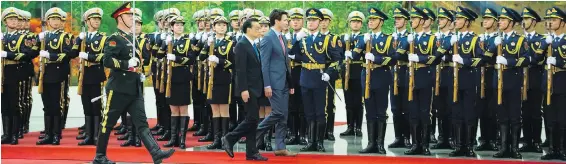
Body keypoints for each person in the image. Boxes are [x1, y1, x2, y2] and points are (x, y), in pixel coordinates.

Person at [92, 2, 175, 163]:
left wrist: (138, 71)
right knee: (107, 123)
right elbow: (107, 61)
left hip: (134, 88)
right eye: (129, 16)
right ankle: (99, 156)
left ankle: (156, 153)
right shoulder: (114, 38)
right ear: (120, 18)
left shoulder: (132, 38)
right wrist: (126, 65)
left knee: (142, 123)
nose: (132, 18)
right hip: (118, 88)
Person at [290, 8, 340, 152]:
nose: (311, 23)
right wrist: (296, 39)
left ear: (319, 22)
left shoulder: (326, 40)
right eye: (309, 20)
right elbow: (291, 54)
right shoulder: (302, 39)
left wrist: (329, 73)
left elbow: (337, 60)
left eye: (314, 20)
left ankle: (319, 142)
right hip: (305, 78)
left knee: (320, 112)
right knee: (308, 112)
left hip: (319, 79)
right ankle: (310, 141)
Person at [222, 18, 268, 161]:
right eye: (257, 28)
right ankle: (229, 138)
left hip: (256, 88)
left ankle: (251, 152)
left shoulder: (254, 44)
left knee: (253, 121)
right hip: (248, 89)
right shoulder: (242, 45)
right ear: (248, 29)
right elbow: (240, 70)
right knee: (252, 118)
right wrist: (243, 89)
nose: (260, 30)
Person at [398, 6, 440, 156]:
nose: (412, 22)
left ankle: (425, 144)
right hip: (410, 78)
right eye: (411, 19)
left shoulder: (432, 39)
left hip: (425, 78)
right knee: (413, 113)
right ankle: (415, 144)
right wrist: (404, 43)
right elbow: (398, 55)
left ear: (422, 20)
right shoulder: (410, 38)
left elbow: (436, 57)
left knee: (424, 113)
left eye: (414, 19)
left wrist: (420, 58)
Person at [256, 9, 297, 156]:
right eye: (285, 20)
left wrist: (290, 84)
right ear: (277, 21)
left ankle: (280, 146)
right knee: (278, 113)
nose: (288, 22)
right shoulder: (268, 38)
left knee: (283, 115)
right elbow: (264, 64)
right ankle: (252, 134)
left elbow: (286, 63)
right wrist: (267, 84)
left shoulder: (282, 37)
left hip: (284, 83)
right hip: (273, 83)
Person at [354, 7, 395, 154]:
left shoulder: (388, 39)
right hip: (366, 77)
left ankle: (380, 144)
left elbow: (393, 58)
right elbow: (354, 55)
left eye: (374, 19)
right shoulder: (364, 38)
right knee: (369, 111)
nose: (370, 22)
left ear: (381, 22)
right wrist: (360, 44)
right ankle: (371, 143)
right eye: (369, 19)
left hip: (381, 76)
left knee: (381, 111)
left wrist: (376, 58)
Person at [490, 7, 528, 159]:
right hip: (497, 82)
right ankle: (503, 147)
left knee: (514, 116)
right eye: (499, 19)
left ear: (511, 23)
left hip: (513, 81)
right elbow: (485, 55)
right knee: (502, 116)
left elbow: (527, 59)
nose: (500, 22)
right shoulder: (497, 39)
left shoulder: (520, 40)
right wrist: (494, 45)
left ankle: (514, 148)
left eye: (503, 20)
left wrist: (509, 61)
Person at [36, 7, 76, 145]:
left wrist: (50, 56)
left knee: (56, 105)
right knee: (46, 105)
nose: (55, 22)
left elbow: (68, 55)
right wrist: (37, 39)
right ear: (48, 21)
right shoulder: (43, 36)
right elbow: (33, 50)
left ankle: (56, 135)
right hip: (45, 74)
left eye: (58, 19)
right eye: (53, 19)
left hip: (58, 74)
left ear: (62, 21)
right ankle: (47, 133)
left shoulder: (66, 37)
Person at [448, 6, 482, 157]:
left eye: (460, 19)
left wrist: (464, 60)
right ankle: (458, 145)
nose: (456, 21)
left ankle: (468, 146)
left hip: (468, 79)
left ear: (467, 22)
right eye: (456, 19)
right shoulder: (453, 38)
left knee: (469, 113)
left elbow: (480, 59)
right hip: (454, 80)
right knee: (456, 113)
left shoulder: (475, 39)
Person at [1, 7, 36, 145]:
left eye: (15, 19)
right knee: (4, 105)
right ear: (5, 22)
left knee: (14, 104)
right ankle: (6, 133)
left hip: (16, 72)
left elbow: (27, 54)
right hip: (3, 73)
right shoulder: (3, 37)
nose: (14, 21)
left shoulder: (24, 37)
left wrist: (8, 54)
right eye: (11, 19)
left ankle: (14, 134)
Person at [161, 15, 196, 149]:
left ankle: (182, 139)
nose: (179, 27)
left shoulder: (188, 42)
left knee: (183, 108)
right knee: (174, 109)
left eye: (181, 25)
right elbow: (158, 55)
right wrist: (164, 44)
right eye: (176, 25)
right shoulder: (168, 40)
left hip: (183, 76)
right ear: (171, 27)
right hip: (171, 78)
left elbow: (191, 59)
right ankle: (174, 138)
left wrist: (176, 58)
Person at [73, 7, 107, 146]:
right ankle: (88, 135)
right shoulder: (83, 37)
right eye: (94, 19)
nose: (97, 21)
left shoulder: (103, 38)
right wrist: (77, 41)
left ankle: (97, 136)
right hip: (84, 75)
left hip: (96, 74)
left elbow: (105, 56)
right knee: (86, 105)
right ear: (87, 22)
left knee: (96, 105)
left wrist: (89, 57)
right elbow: (72, 53)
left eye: (98, 19)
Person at [541, 6, 566, 161]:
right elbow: (535, 57)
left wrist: (559, 62)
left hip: (563, 83)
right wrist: (545, 45)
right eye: (549, 20)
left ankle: (562, 149)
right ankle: (551, 149)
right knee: (549, 117)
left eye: (554, 20)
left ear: (562, 22)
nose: (550, 23)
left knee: (562, 118)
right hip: (548, 84)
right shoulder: (547, 40)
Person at [519, 7, 545, 153]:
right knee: (524, 112)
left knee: (535, 112)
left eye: (527, 19)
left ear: (533, 21)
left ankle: (536, 141)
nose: (523, 22)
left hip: (534, 78)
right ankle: (527, 141)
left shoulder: (540, 40)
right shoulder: (519, 40)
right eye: (523, 19)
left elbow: (538, 59)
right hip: (520, 80)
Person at [475, 7, 499, 152]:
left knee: (493, 109)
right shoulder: (479, 39)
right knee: (482, 109)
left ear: (495, 22)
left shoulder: (498, 39)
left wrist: (484, 56)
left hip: (493, 75)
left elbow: (487, 57)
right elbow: (478, 56)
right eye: (484, 19)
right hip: (481, 75)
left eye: (489, 19)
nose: (485, 21)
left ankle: (493, 139)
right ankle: (484, 139)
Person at [431, 7, 455, 150]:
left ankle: (451, 138)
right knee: (439, 108)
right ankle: (442, 138)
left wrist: (447, 57)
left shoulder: (454, 38)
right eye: (439, 18)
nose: (439, 21)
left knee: (450, 108)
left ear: (449, 21)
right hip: (437, 76)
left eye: (442, 19)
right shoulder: (435, 38)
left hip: (450, 75)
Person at [389, 7, 412, 148]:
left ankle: (407, 137)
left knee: (406, 108)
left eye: (400, 18)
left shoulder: (409, 37)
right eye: (395, 19)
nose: (397, 21)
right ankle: (398, 137)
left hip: (405, 73)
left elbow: (399, 55)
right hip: (394, 74)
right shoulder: (391, 38)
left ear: (406, 21)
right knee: (395, 108)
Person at [340, 10, 365, 138]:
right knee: (348, 102)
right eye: (353, 22)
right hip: (347, 73)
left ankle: (358, 127)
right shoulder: (344, 38)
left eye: (357, 22)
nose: (355, 24)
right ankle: (350, 126)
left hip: (359, 71)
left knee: (358, 102)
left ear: (361, 24)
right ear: (349, 23)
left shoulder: (364, 38)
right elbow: (339, 56)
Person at [285, 8, 308, 146]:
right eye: (293, 20)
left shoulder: (305, 36)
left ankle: (303, 134)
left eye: (298, 20)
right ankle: (293, 133)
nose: (295, 22)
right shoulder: (287, 36)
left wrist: (295, 56)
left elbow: (308, 56)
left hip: (301, 72)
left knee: (302, 105)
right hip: (289, 74)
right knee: (291, 105)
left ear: (302, 21)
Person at [256, 15, 274, 151]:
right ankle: (259, 140)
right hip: (257, 81)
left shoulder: (272, 42)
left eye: (265, 26)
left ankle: (267, 140)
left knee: (268, 110)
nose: (263, 29)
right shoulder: (253, 43)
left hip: (268, 80)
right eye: (260, 26)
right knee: (259, 111)